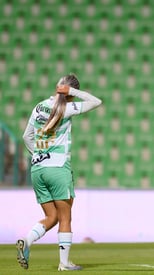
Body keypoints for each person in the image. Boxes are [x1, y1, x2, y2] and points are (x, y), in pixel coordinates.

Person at [17, 74, 102, 271]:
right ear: (69, 93)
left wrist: (38, 154)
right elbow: (96, 101)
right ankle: (64, 263)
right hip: (58, 168)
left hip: (38, 169)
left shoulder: (39, 107)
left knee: (51, 217)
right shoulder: (67, 107)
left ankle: (26, 241)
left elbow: (26, 136)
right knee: (65, 217)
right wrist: (71, 92)